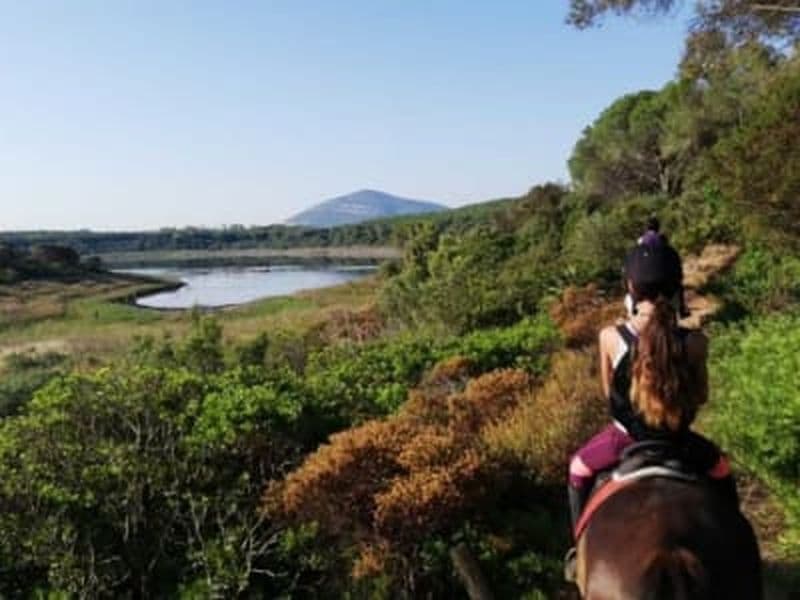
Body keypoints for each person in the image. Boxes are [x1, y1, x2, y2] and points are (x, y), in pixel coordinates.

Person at [564, 243, 736, 579]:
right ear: (676, 286)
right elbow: (700, 396)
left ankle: (576, 554)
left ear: (631, 287)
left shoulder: (610, 337)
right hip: (681, 442)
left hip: (623, 441)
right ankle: (734, 541)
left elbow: (609, 395)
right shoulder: (696, 342)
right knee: (722, 470)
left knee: (578, 469)